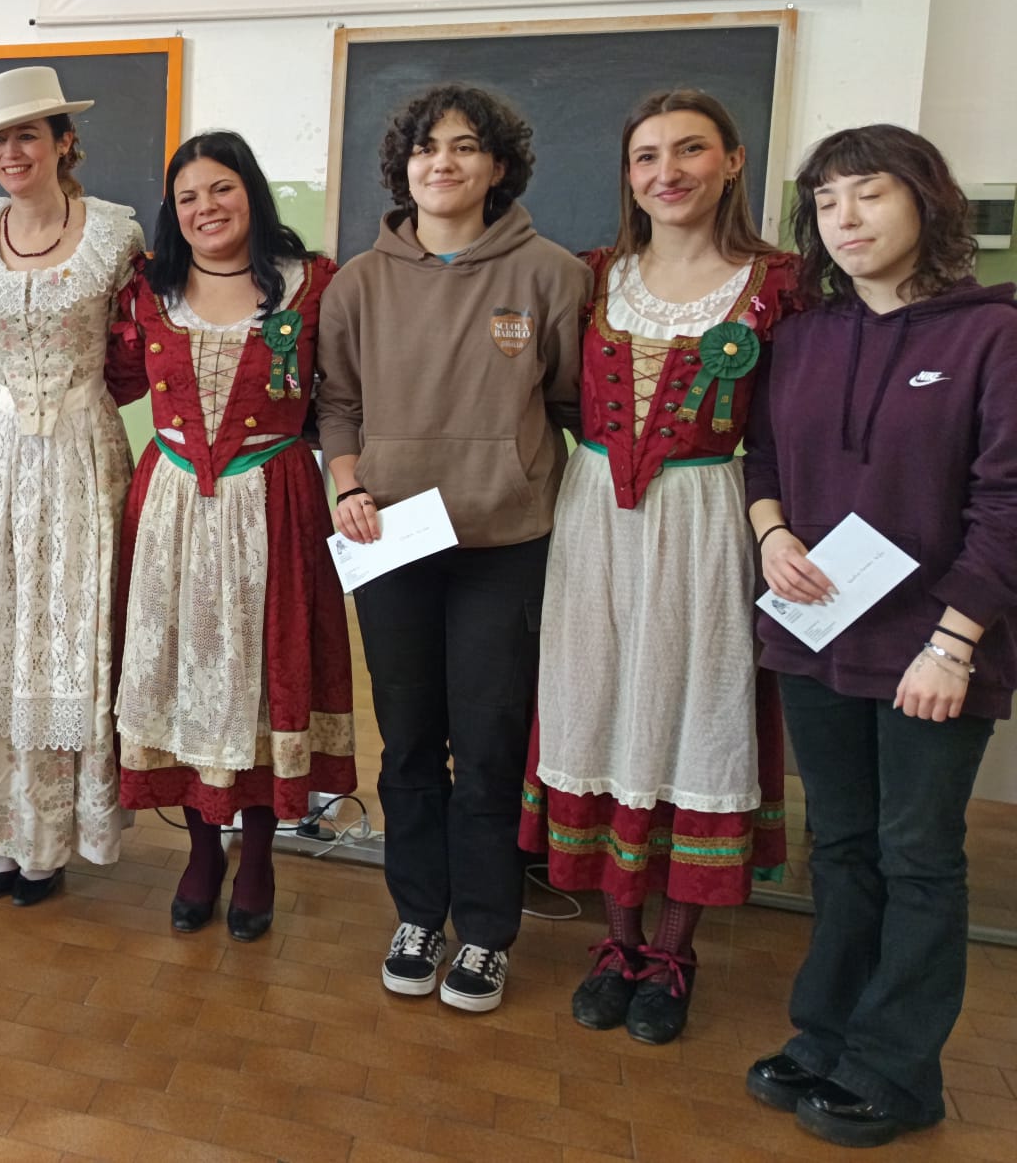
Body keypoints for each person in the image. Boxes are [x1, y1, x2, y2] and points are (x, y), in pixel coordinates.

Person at [743, 125, 1015, 1149]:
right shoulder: (804, 334)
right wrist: (768, 535)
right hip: (815, 629)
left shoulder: (989, 334)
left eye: (867, 195)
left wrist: (953, 641)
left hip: (936, 650)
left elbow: (1007, 500)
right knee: (843, 846)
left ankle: (897, 1073)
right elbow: (760, 453)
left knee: (916, 856)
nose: (844, 220)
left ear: (924, 201)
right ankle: (824, 1037)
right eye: (824, 203)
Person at [517, 90, 799, 1043]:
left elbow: (787, 427)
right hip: (593, 514)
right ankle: (617, 941)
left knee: (689, 712)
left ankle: (674, 952)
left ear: (732, 161)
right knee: (598, 703)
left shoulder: (776, 286)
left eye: (689, 150)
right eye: (646, 156)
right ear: (628, 174)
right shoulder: (596, 277)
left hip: (709, 516)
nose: (667, 171)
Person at [317, 84, 585, 1013]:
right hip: (389, 539)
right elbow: (338, 405)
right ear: (405, 168)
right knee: (407, 743)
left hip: (505, 541)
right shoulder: (357, 282)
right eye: (428, 148)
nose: (445, 162)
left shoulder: (551, 273)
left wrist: (517, 473)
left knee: (489, 740)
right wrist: (348, 483)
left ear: (498, 166)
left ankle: (487, 931)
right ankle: (418, 914)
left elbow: (568, 404)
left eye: (467, 147)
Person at [112, 130, 355, 940]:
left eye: (221, 189)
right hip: (173, 505)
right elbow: (107, 372)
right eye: (188, 198)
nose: (205, 208)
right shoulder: (148, 289)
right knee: (185, 672)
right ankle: (200, 848)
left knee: (260, 674)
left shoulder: (311, 283)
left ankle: (258, 853)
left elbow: (344, 397)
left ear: (250, 191)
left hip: (273, 500)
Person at [0, 67, 145, 906]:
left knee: (63, 635)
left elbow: (140, 347)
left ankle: (51, 835)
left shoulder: (116, 235)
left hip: (82, 456)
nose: (10, 153)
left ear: (63, 142)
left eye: (26, 136)